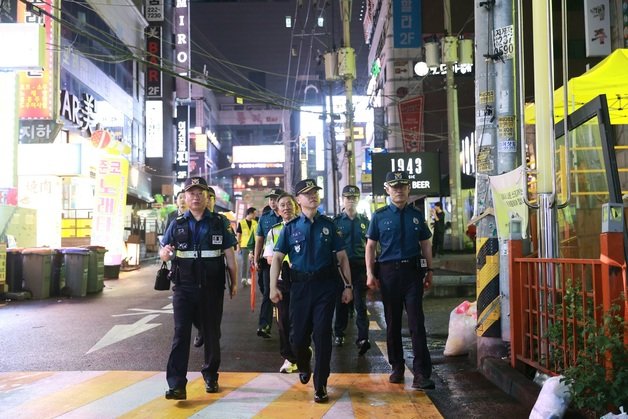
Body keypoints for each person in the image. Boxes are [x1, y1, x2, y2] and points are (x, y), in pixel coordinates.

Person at [269, 178, 353, 403]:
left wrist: (348, 286)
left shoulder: (328, 225)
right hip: (299, 288)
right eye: (307, 193)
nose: (313, 196)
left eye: (315, 192)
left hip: (326, 286)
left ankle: (321, 384)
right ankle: (304, 363)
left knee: (323, 335)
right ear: (298, 200)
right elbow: (277, 258)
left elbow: (342, 257)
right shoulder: (291, 228)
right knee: (297, 338)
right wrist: (272, 287)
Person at [159, 176, 238, 400]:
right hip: (184, 287)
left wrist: (233, 282)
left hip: (212, 288)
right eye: (191, 193)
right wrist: (164, 254)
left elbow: (229, 255)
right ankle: (176, 385)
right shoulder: (177, 223)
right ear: (184, 197)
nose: (195, 196)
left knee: (212, 333)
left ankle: (211, 375)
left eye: (199, 193)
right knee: (180, 334)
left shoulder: (219, 222)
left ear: (207, 196)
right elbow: (165, 249)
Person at [365, 171, 436, 390]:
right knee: (393, 322)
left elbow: (425, 243)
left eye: (403, 186)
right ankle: (397, 367)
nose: (399, 190)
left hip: (412, 273)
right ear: (387, 189)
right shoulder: (379, 216)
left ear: (408, 189)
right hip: (388, 274)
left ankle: (421, 373)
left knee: (417, 322)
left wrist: (430, 270)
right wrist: (370, 273)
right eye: (394, 186)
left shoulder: (416, 215)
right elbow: (370, 246)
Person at [332, 185, 371, 355]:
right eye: (348, 197)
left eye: (354, 197)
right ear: (343, 200)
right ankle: (339, 333)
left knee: (360, 304)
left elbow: (372, 246)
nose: (351, 200)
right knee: (341, 301)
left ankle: (363, 338)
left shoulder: (365, 221)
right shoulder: (336, 222)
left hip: (360, 266)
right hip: (341, 267)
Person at [262, 193, 298, 374]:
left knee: (301, 320)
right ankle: (289, 357)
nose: (286, 208)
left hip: (302, 281)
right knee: (283, 321)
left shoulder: (305, 226)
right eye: (282, 205)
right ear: (277, 208)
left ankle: (302, 351)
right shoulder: (274, 231)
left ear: (296, 205)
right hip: (283, 280)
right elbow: (269, 258)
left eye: (289, 204)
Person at [253, 188, 283, 338]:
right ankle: (264, 325)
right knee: (267, 293)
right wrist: (256, 258)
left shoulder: (289, 215)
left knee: (287, 293)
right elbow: (259, 239)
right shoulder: (264, 218)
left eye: (275, 198)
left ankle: (287, 325)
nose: (272, 201)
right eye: (270, 199)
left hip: (287, 263)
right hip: (268, 261)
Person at [236, 207, 258, 288]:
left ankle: (249, 277)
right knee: (244, 262)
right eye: (254, 213)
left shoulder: (255, 223)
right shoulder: (241, 223)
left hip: (253, 246)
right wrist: (238, 246)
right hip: (244, 246)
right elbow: (238, 236)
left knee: (252, 262)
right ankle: (243, 278)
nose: (255, 215)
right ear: (250, 213)